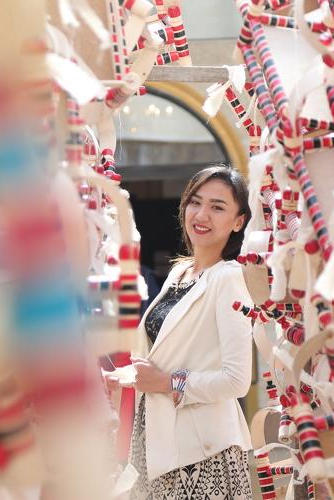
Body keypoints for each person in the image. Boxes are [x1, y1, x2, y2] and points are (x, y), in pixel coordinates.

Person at [128, 165, 254, 499]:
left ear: (238, 221)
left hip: (202, 457)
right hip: (156, 444)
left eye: (217, 207)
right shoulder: (180, 273)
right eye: (195, 202)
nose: (201, 215)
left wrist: (167, 382)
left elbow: (236, 380)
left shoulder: (229, 278)